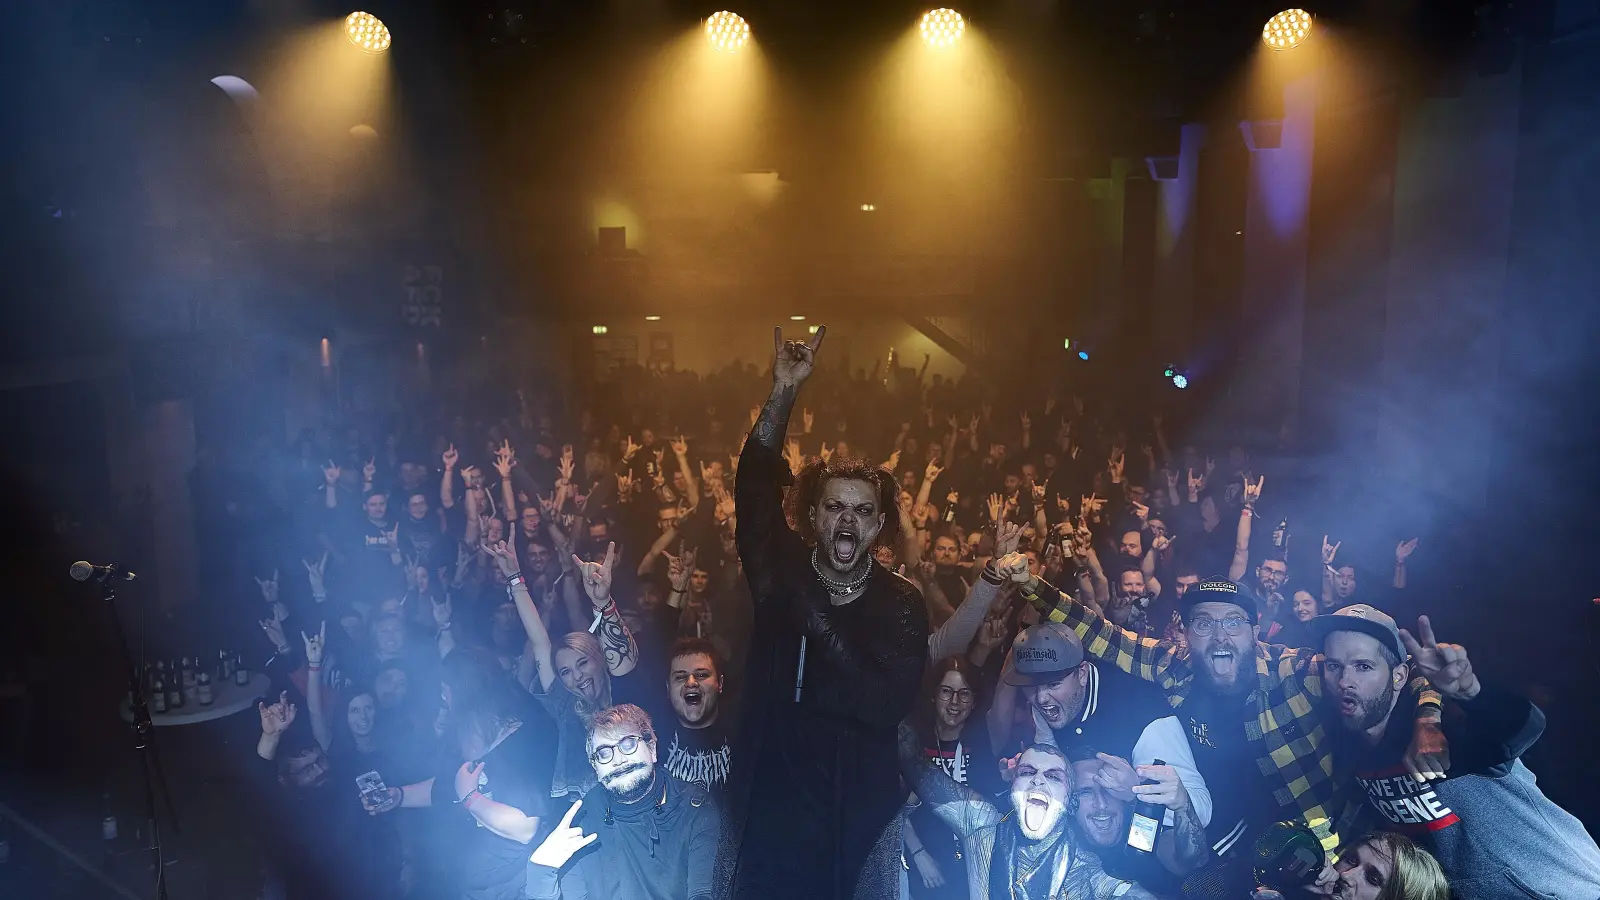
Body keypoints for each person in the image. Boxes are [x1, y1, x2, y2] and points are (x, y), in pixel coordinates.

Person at [1004, 571, 1444, 866]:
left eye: (1233, 623)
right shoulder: (1175, 665)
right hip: (1234, 838)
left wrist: (1427, 721)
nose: (1219, 637)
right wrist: (1030, 584)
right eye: (1203, 624)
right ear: (1185, 632)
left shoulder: (1297, 672)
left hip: (1322, 841)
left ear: (1255, 632)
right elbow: (1103, 636)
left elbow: (1399, 675)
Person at [725, 325, 929, 900]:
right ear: (813, 514)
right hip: (775, 815)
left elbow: (884, 702)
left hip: (856, 823)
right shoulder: (778, 573)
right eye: (835, 507)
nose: (847, 520)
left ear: (878, 524)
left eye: (862, 511)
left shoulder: (900, 601)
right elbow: (753, 487)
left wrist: (813, 614)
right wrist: (784, 391)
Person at [1312, 606, 1600, 900]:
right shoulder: (1352, 752)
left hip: (1569, 887)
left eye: (1363, 666)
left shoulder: (1436, 730)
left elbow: (1525, 727)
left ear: (1398, 676)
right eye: (1334, 665)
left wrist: (1472, 693)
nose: (1344, 680)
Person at [986, 621, 1212, 831]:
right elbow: (1052, 755)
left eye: (1053, 684)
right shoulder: (1048, 702)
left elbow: (1201, 812)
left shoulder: (1142, 710)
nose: (1041, 698)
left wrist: (1135, 795)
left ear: (1082, 674)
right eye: (1031, 687)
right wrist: (1028, 772)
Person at [895, 723, 1156, 900]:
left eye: (1054, 776)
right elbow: (916, 766)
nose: (1038, 781)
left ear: (1070, 801)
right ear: (1012, 789)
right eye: (1028, 772)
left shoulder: (1084, 871)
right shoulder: (981, 827)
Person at [523, 704, 719, 900]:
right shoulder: (584, 819)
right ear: (595, 768)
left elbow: (704, 894)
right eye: (604, 753)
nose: (618, 760)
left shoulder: (695, 809)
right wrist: (540, 871)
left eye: (628, 744)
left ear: (652, 748)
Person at [1070, 754, 1208, 892]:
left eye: (1108, 790)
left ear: (1123, 795)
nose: (1101, 805)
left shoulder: (1146, 832)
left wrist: (1183, 806)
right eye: (1085, 792)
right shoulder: (1064, 843)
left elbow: (1191, 862)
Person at [660, 637, 734, 796]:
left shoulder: (745, 739)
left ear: (719, 684)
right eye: (680, 677)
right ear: (668, 688)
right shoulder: (653, 740)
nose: (691, 682)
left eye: (701, 675)